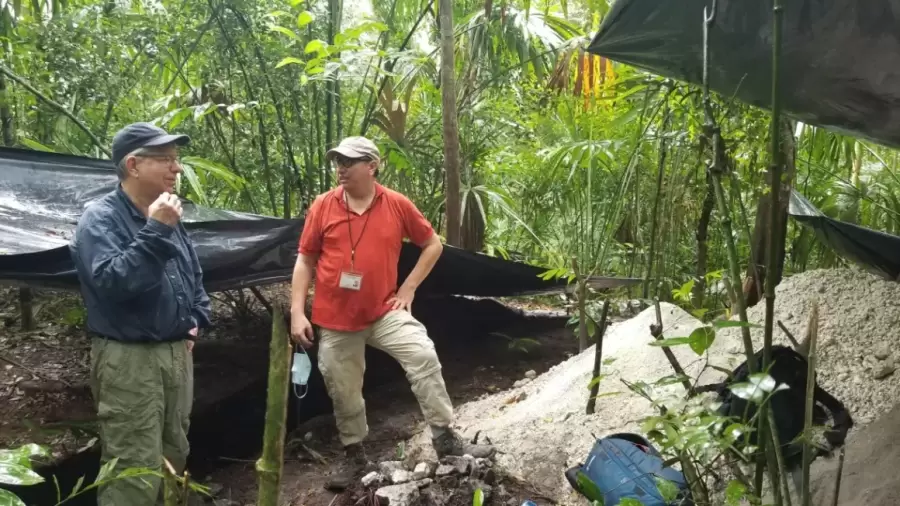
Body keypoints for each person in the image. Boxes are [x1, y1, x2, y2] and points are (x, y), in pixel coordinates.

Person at [290, 136, 495, 490]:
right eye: (338, 162)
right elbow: (305, 259)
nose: (341, 168)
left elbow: (432, 244)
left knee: (422, 353)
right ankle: (355, 455)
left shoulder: (396, 204)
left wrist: (409, 287)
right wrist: (297, 311)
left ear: (372, 166)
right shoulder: (323, 205)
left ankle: (445, 438)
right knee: (343, 387)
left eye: (349, 162)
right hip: (336, 319)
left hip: (383, 311)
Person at [69, 122, 211, 506]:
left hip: (176, 354)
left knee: (175, 447)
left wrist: (195, 321)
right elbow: (114, 283)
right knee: (134, 463)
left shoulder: (166, 213)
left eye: (176, 158)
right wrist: (156, 230)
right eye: (165, 159)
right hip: (129, 360)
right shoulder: (100, 219)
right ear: (133, 165)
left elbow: (193, 274)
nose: (176, 168)